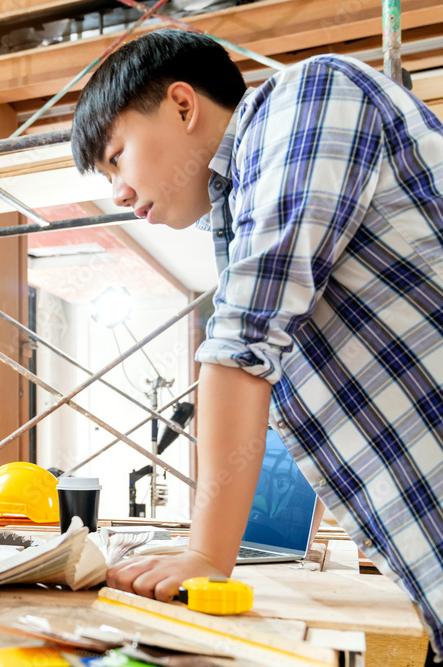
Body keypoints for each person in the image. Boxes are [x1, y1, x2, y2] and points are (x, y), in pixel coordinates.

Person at [71, 28, 443, 658]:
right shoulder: (239, 206)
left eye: (116, 156)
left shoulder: (311, 95)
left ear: (183, 105)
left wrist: (206, 553)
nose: (119, 192)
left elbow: (242, 340)